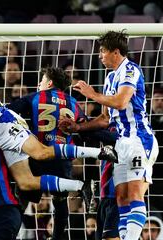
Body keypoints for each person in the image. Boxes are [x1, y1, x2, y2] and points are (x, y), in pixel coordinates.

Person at [0, 45, 117, 199]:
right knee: (26, 182)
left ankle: (100, 152)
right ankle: (82, 186)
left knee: (41, 153)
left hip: (6, 127)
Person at [59, 30, 159, 240]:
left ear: (115, 52)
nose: (100, 56)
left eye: (103, 51)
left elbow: (121, 102)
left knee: (134, 194)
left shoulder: (130, 70)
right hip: (122, 144)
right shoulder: (111, 77)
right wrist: (78, 128)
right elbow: (105, 119)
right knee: (121, 198)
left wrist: (92, 94)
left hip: (139, 140)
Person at [7, 66, 90, 240]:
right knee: (60, 201)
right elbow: (88, 130)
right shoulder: (73, 103)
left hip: (38, 154)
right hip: (61, 157)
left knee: (22, 195)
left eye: (42, 80)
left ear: (49, 83)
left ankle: (9, 232)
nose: (39, 84)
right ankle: (58, 237)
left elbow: (10, 111)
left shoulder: (35, 97)